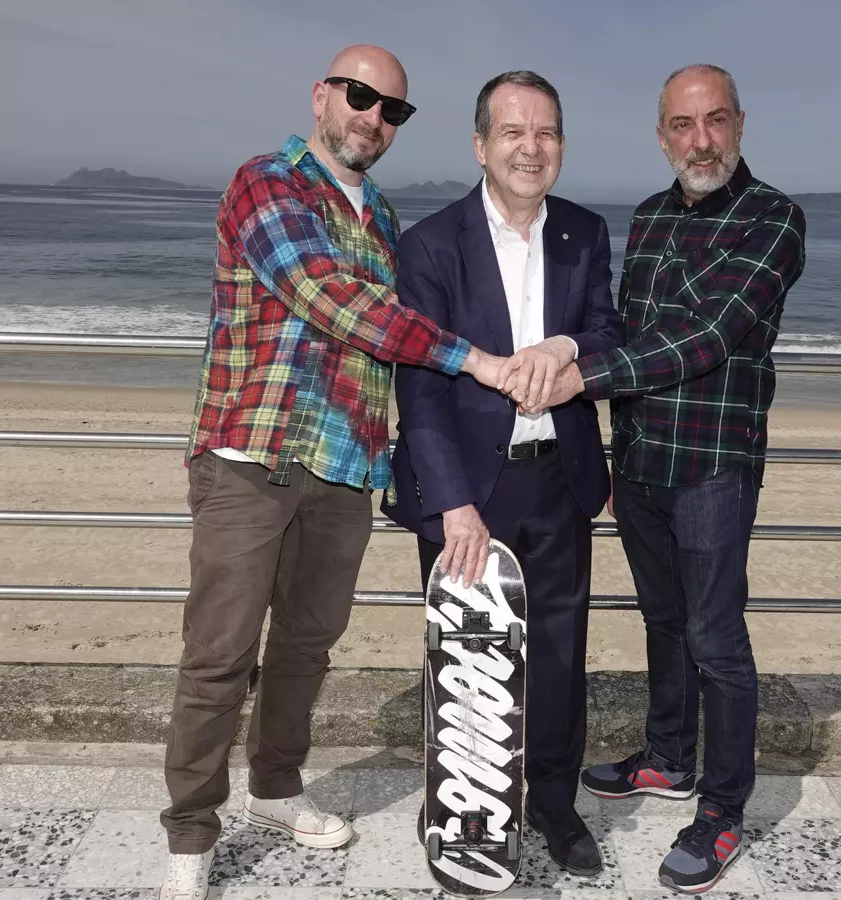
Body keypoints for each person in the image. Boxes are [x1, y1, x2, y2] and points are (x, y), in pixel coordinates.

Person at [157, 45, 516, 900]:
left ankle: (276, 788)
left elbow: (396, 339)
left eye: (393, 109)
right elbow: (333, 300)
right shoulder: (267, 182)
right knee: (220, 653)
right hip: (252, 453)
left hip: (348, 465)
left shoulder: (384, 218)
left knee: (306, 647)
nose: (373, 118)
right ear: (322, 95)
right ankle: (191, 835)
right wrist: (480, 361)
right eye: (360, 96)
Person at [530, 63, 807, 893]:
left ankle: (721, 811)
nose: (701, 140)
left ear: (740, 125)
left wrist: (579, 377)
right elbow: (626, 327)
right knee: (663, 620)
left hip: (714, 465)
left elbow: (708, 335)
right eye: (683, 125)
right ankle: (668, 756)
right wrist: (609, 444)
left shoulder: (774, 219)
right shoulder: (649, 216)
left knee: (716, 639)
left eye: (715, 120)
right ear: (662, 136)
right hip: (643, 462)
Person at [384, 70, 624, 876]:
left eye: (546, 132)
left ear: (562, 145)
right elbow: (419, 384)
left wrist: (565, 347)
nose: (532, 148)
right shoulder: (429, 244)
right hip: (467, 492)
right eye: (514, 132)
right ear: (480, 145)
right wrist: (451, 503)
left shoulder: (585, 231)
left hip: (560, 476)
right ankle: (460, 802)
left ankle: (554, 801)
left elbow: (607, 332)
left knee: (559, 653)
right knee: (465, 655)